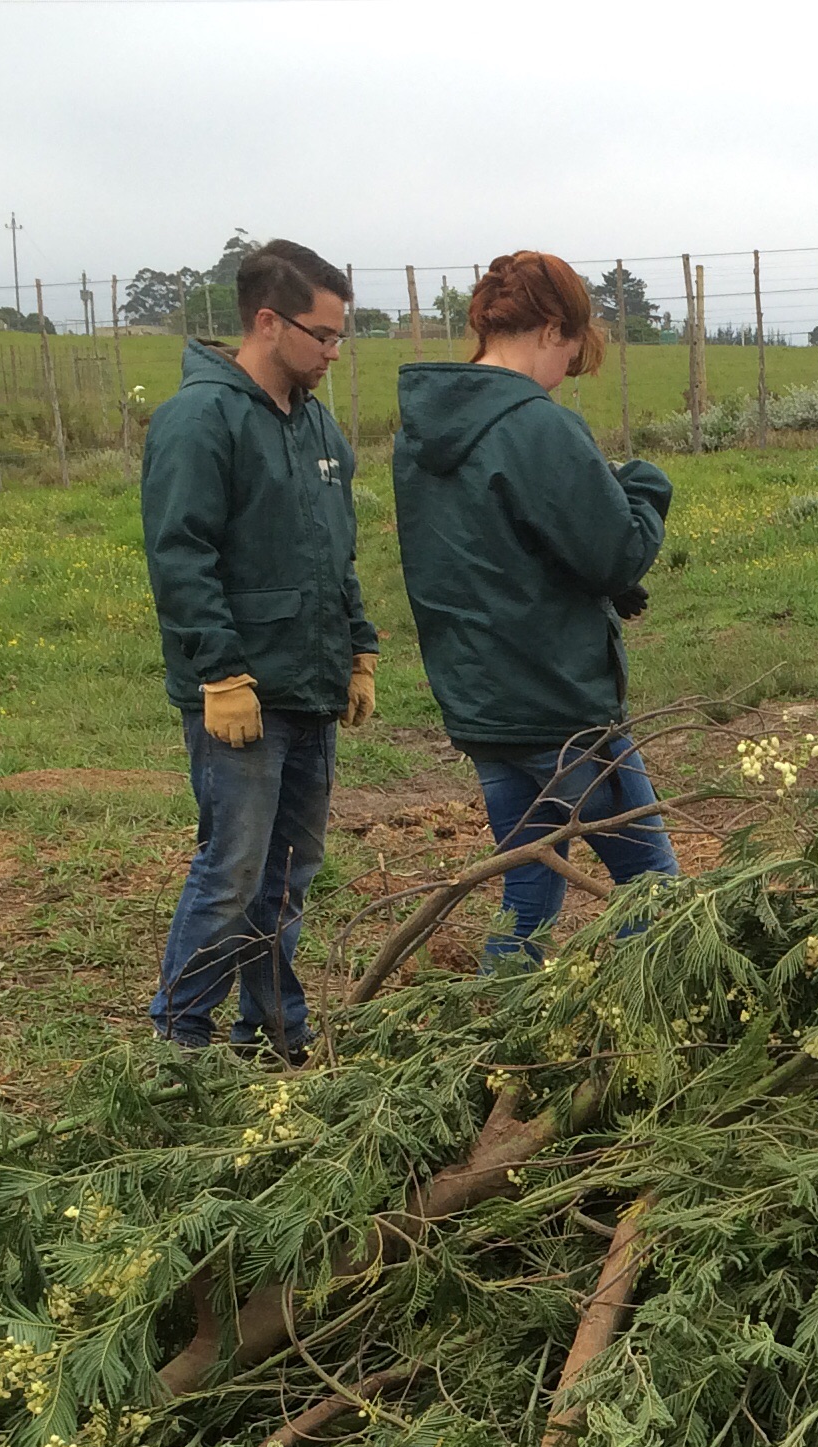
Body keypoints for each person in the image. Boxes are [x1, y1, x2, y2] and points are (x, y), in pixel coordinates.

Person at [390, 251, 674, 965]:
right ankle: (657, 1013)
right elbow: (617, 554)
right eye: (572, 349)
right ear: (551, 329)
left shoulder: (420, 435)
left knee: (530, 886)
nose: (568, 369)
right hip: (560, 708)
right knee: (653, 888)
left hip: (483, 705)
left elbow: (502, 552)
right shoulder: (536, 426)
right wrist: (644, 488)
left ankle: (500, 1012)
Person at [140, 238, 379, 1059]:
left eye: (341, 336)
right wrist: (220, 672)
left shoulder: (317, 426)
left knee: (288, 875)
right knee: (234, 870)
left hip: (310, 684)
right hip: (242, 693)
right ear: (269, 322)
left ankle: (273, 1033)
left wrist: (358, 650)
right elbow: (181, 556)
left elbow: (335, 550)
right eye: (324, 335)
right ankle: (180, 1040)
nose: (334, 352)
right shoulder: (199, 421)